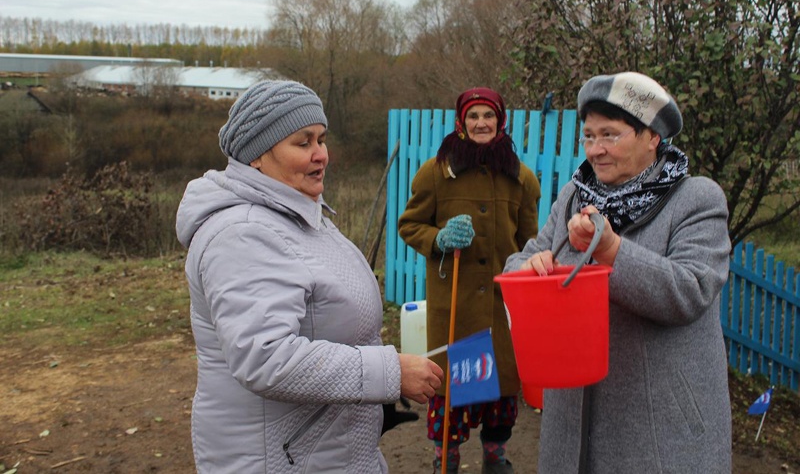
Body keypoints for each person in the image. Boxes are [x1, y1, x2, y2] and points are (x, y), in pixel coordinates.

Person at [175, 80, 443, 473]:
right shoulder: (243, 234)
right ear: (257, 157)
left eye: (321, 139)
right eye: (303, 143)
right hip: (281, 459)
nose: (322, 155)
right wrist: (389, 372)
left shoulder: (296, 214)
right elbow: (265, 356)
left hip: (324, 451)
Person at [504, 72, 732, 473]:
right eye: (589, 136)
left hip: (659, 426)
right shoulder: (575, 195)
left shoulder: (696, 199)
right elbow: (522, 260)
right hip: (572, 421)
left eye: (610, 135)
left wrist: (611, 250)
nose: (596, 150)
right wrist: (529, 268)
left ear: (652, 137)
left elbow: (691, 289)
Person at [398, 87, 541, 474]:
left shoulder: (520, 178)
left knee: (500, 396)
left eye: (488, 116)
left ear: (500, 122)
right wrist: (439, 238)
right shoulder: (436, 172)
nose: (481, 123)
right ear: (461, 122)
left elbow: (531, 242)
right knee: (454, 392)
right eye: (474, 116)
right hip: (455, 309)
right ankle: (446, 461)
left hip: (500, 309)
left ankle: (496, 460)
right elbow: (409, 225)